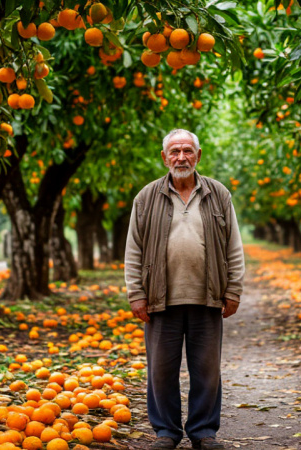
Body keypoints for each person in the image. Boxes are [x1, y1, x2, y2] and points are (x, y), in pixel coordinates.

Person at [124, 129, 245, 449]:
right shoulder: (146, 197)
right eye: (174, 151)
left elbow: (234, 245)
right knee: (160, 371)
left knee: (207, 369)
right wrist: (136, 293)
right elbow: (133, 249)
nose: (181, 157)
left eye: (187, 151)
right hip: (160, 299)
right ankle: (166, 432)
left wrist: (233, 289)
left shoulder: (218, 194)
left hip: (208, 297)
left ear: (198, 155)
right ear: (164, 157)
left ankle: (204, 431)